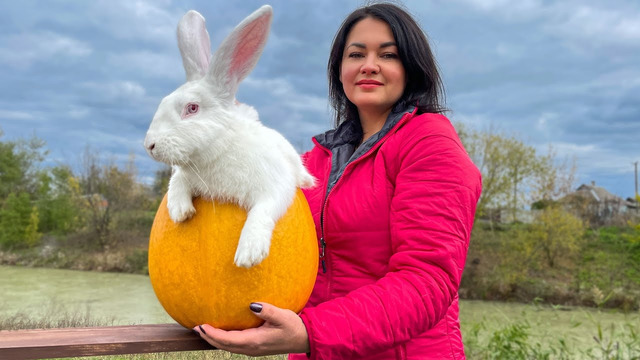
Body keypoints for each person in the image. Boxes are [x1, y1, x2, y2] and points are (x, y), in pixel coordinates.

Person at [193, 2, 482, 359]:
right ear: (339, 70)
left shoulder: (430, 145)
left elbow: (426, 282)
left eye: (387, 55)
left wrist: (310, 332)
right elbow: (251, 209)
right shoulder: (315, 160)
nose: (368, 65)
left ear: (411, 68)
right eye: (356, 54)